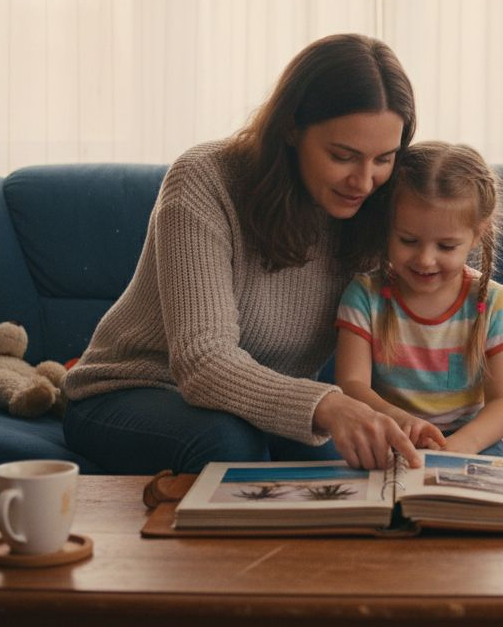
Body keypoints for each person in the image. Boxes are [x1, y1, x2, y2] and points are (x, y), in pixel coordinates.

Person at [63, 33, 426, 474]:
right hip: (132, 390)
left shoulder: (377, 206)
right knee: (229, 446)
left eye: (383, 159)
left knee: (355, 463)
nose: (364, 182)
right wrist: (329, 405)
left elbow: (448, 276)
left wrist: (404, 420)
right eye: (343, 156)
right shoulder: (204, 179)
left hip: (260, 409)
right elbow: (203, 362)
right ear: (291, 128)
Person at [333, 141, 503, 457]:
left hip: (470, 440)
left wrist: (464, 444)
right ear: (388, 228)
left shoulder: (492, 301)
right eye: (408, 240)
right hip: (387, 432)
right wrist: (398, 420)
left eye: (446, 247)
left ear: (477, 234)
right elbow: (352, 386)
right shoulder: (364, 295)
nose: (425, 260)